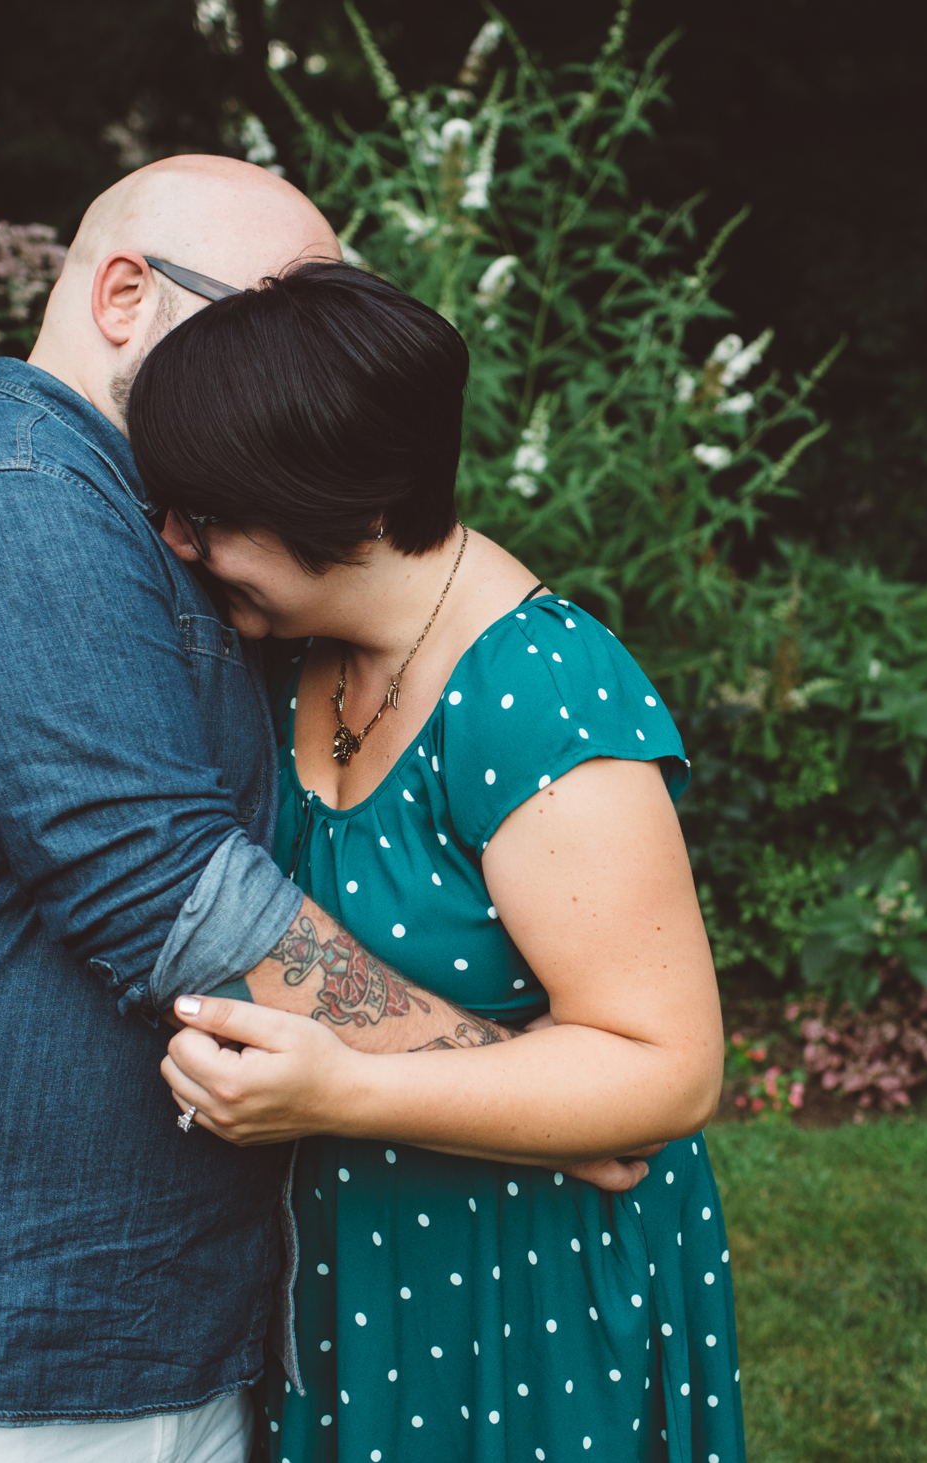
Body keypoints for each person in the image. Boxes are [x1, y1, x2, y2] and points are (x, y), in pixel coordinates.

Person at [0, 157, 634, 1463]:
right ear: (126, 294)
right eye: (263, 312)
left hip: (129, 1333)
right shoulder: (8, 504)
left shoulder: (178, 536)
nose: (293, 364)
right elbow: (171, 891)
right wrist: (526, 1091)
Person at [130, 261, 746, 1463]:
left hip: (530, 1284)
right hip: (360, 1264)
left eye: (206, 517)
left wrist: (343, 1092)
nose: (175, 542)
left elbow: (668, 1069)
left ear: (338, 511)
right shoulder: (297, 655)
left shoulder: (536, 692)